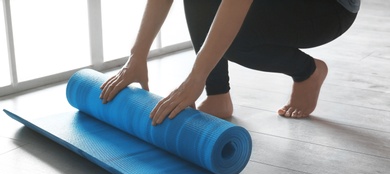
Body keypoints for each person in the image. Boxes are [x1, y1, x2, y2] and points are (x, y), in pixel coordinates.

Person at [100, 0, 360, 125]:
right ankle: (218, 96)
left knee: (231, 39)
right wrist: (137, 56)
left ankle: (307, 72)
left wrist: (194, 79)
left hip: (326, 9)